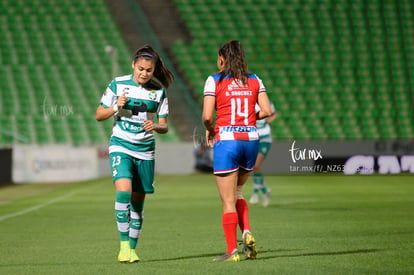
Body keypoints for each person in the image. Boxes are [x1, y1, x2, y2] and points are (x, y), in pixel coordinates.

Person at [95, 45, 173, 263]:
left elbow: (164, 126)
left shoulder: (159, 92)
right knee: (123, 193)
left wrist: (155, 126)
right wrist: (115, 108)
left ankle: (132, 249)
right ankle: (122, 246)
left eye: (148, 70)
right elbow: (99, 114)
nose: (144, 73)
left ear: (153, 70)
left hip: (145, 150)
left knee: (138, 204)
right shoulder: (118, 84)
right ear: (133, 65)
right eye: (140, 68)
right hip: (121, 144)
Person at [202, 40, 272, 262]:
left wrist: (210, 129)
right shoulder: (254, 79)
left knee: (227, 200)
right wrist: (250, 118)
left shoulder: (214, 80)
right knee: (239, 193)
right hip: (251, 139)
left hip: (228, 139)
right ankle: (246, 232)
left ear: (222, 58)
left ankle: (232, 251)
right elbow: (267, 111)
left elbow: (206, 116)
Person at [249, 102, 277, 207]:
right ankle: (265, 191)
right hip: (253, 137)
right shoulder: (248, 99)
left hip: (264, 138)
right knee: (255, 167)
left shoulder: (266, 101)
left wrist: (268, 120)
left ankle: (255, 193)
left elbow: (273, 113)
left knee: (256, 165)